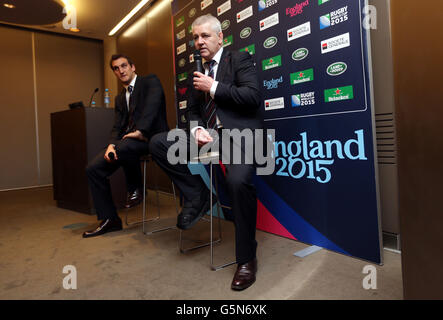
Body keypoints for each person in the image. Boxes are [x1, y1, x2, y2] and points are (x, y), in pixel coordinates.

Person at [149, 14, 263, 290]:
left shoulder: (239, 59)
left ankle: (247, 259)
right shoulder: (196, 71)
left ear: (220, 37)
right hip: (208, 137)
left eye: (205, 36)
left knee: (237, 182)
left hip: (240, 137)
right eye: (195, 38)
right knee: (158, 143)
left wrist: (213, 87)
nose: (199, 42)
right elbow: (192, 111)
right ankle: (199, 193)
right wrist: (197, 130)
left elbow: (252, 97)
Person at [83, 54, 168, 238]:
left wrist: (141, 131)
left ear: (133, 67)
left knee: (126, 145)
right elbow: (117, 126)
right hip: (128, 144)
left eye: (124, 66)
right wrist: (111, 146)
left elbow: (153, 106)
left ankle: (136, 188)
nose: (121, 70)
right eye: (116, 68)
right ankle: (110, 219)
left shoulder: (149, 81)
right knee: (93, 168)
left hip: (152, 140)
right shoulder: (120, 98)